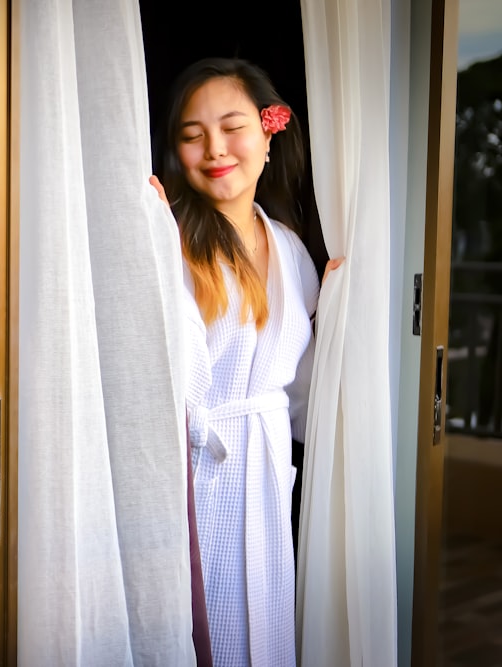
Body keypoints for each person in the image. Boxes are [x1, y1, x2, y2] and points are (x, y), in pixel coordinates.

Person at [149, 58, 342, 666]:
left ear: (268, 132)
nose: (214, 150)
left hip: (264, 473)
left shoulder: (289, 248)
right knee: (208, 636)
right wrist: (148, 238)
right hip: (198, 477)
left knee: (266, 628)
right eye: (191, 135)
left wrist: (341, 310)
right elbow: (168, 370)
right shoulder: (172, 240)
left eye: (232, 127)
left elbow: (304, 381)